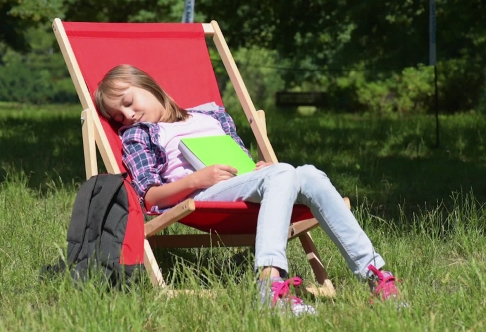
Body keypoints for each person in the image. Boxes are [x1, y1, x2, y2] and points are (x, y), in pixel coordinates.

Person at [94, 64, 403, 316]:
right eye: (118, 116)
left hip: (240, 185)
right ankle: (269, 286)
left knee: (308, 173)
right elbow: (147, 196)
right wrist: (195, 180)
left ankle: (375, 276)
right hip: (198, 196)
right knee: (286, 172)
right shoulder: (139, 134)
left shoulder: (211, 115)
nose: (128, 116)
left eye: (128, 103)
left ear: (146, 84)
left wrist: (259, 168)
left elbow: (239, 160)